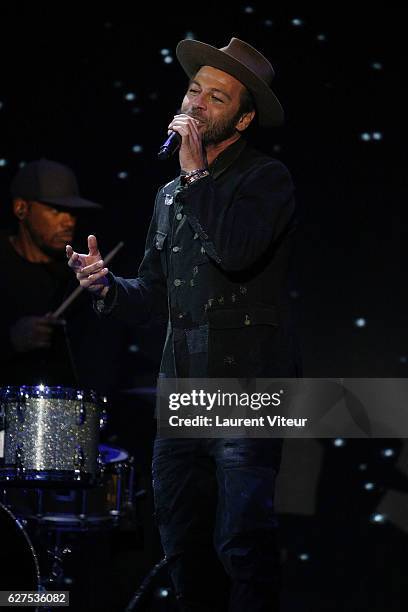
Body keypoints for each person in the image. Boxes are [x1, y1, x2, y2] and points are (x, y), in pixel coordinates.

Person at [67, 38, 301, 611]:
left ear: (243, 119)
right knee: (181, 542)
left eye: (216, 97)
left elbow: (238, 252)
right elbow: (151, 296)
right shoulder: (170, 195)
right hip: (182, 391)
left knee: (242, 544)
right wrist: (105, 287)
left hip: (246, 391)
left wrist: (196, 178)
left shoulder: (266, 180)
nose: (197, 103)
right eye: (194, 89)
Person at [0, 158, 127, 392]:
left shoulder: (79, 271)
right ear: (21, 208)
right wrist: (10, 341)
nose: (68, 221)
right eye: (56, 210)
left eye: (72, 213)